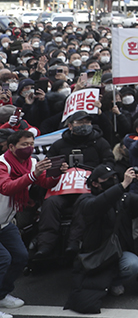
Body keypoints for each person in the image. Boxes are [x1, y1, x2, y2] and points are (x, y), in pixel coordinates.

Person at [65, 165, 138, 313]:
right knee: (90, 285)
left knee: (133, 264)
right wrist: (123, 185)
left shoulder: (123, 198)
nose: (113, 181)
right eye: (107, 179)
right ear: (95, 183)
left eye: (114, 177)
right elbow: (98, 205)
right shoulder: (85, 200)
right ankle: (105, 283)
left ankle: (112, 282)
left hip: (117, 251)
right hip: (96, 252)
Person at [35, 111, 115, 258]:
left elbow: (109, 162)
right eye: (80, 122)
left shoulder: (100, 142)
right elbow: (48, 166)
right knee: (50, 204)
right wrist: (59, 169)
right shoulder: (59, 145)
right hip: (62, 190)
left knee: (83, 205)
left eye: (87, 122)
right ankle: (45, 246)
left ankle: (74, 242)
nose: (84, 126)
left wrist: (96, 174)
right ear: (70, 126)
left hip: (88, 190)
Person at [0, 130, 64, 315]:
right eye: (24, 145)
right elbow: (6, 187)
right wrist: (33, 175)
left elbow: (45, 183)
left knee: (20, 256)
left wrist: (56, 173)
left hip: (4, 222)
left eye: (31, 144)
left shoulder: (32, 163)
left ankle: (2, 295)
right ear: (11, 147)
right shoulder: (2, 164)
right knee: (3, 259)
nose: (29, 148)